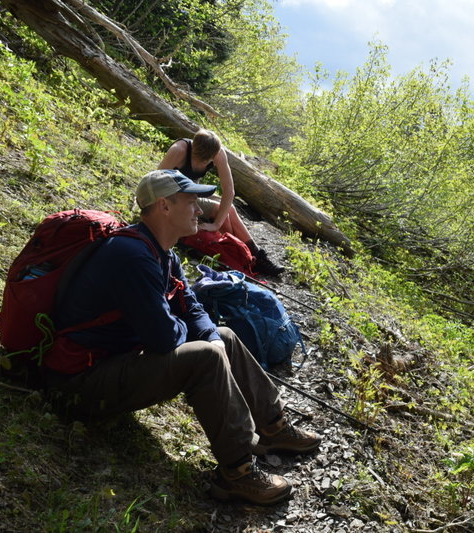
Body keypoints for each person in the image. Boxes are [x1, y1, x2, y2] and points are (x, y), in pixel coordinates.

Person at [43, 169, 320, 505]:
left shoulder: (163, 252)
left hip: (117, 363)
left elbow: (191, 305)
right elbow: (162, 337)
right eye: (191, 202)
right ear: (164, 207)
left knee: (225, 336)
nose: (200, 211)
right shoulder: (131, 257)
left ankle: (273, 427)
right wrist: (201, 339)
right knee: (207, 356)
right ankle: (237, 473)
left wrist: (209, 334)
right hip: (81, 384)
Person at [158, 129, 285, 276]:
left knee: (229, 209)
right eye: (201, 160)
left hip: (194, 193)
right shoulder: (179, 150)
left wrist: (216, 225)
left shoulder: (218, 153)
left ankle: (255, 256)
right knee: (221, 209)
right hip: (175, 196)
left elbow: (229, 191)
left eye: (208, 161)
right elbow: (155, 181)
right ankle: (239, 255)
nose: (205, 163)